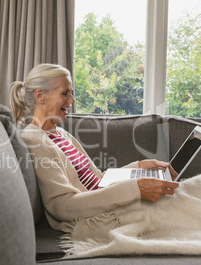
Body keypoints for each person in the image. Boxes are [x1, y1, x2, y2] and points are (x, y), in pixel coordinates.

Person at [10, 63, 179, 231]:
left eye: (72, 93)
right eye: (65, 93)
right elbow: (61, 206)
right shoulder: (34, 139)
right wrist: (135, 189)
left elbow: (99, 178)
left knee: (180, 195)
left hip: (106, 207)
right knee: (180, 205)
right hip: (96, 219)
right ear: (41, 96)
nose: (72, 100)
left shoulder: (61, 134)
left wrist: (139, 166)